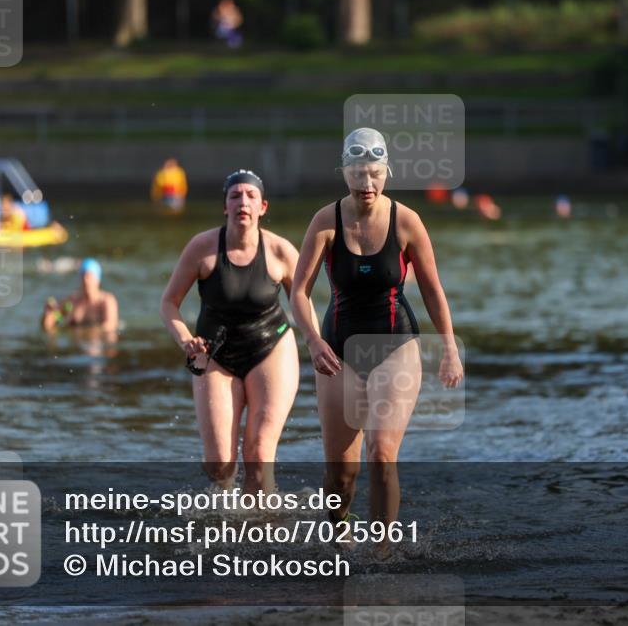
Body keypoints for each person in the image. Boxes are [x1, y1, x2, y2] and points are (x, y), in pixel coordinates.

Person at [290, 128, 463, 552]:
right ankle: (338, 529)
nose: (366, 184)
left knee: (382, 451)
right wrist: (312, 341)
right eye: (357, 174)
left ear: (387, 173)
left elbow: (432, 290)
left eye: (374, 174)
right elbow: (298, 290)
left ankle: (382, 553)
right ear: (344, 173)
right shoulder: (325, 220)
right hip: (339, 349)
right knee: (341, 475)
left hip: (395, 345)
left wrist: (450, 349)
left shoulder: (407, 221)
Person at [160, 170, 309, 494]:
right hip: (213, 353)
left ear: (263, 206)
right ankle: (225, 520)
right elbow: (169, 303)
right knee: (219, 464)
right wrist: (185, 339)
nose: (243, 201)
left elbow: (303, 302)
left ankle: (264, 528)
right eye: (235, 196)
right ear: (225, 207)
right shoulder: (202, 248)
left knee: (257, 453)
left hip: (271, 347)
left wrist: (320, 342)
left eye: (250, 196)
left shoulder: (281, 251)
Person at [42, 258, 119, 333]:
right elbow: (51, 324)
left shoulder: (106, 301)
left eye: (89, 276)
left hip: (99, 343)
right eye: (83, 276)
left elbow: (110, 326)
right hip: (77, 343)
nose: (85, 280)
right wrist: (48, 313)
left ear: (97, 279)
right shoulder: (72, 301)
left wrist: (80, 333)